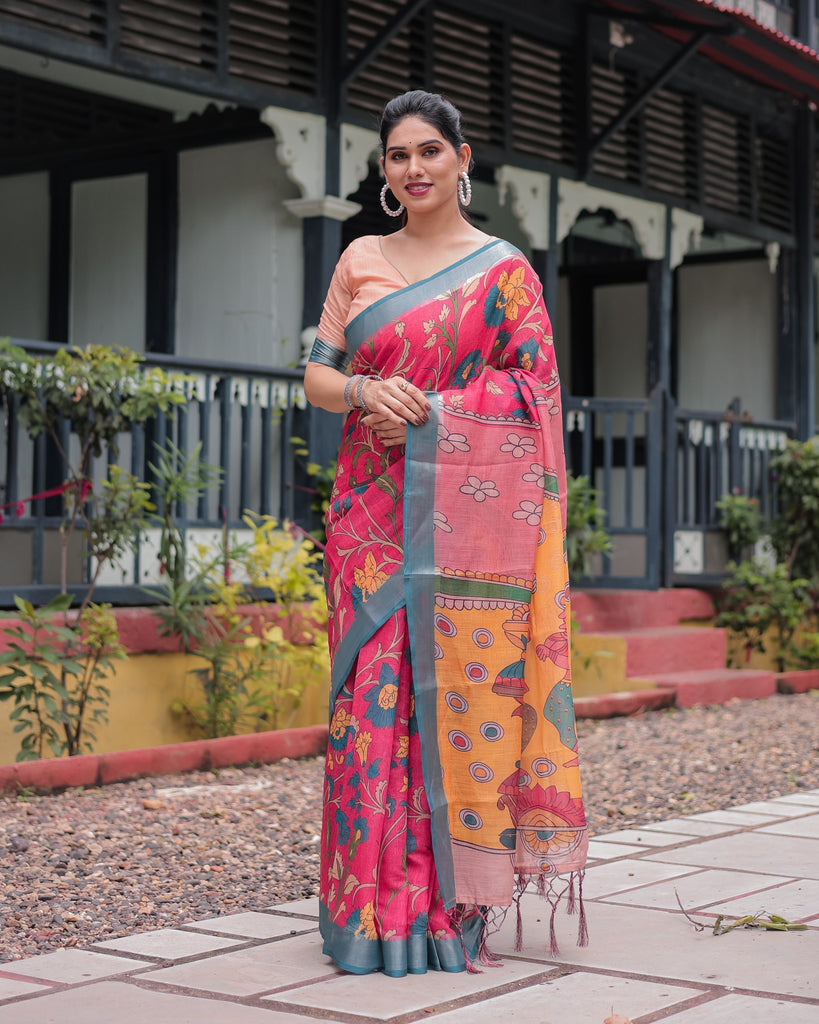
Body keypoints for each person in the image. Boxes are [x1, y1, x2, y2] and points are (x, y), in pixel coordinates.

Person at [303, 89, 587, 978]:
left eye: (430, 150)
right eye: (397, 156)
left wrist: (432, 415)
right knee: (369, 704)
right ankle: (364, 909)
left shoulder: (503, 273)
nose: (414, 168)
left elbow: (537, 400)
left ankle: (438, 910)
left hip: (462, 522)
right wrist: (362, 392)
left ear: (463, 159)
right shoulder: (361, 257)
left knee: (448, 695)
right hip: (368, 518)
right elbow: (317, 372)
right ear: (383, 171)